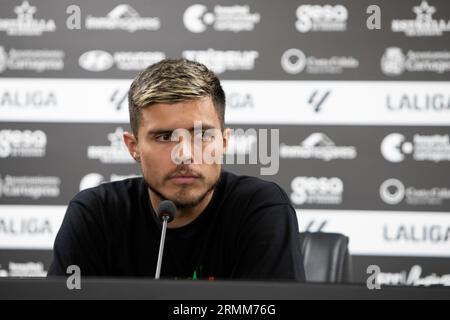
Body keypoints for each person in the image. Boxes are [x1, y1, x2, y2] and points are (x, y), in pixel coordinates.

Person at [48, 59, 305, 281]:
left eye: (202, 135)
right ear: (133, 146)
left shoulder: (260, 209)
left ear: (224, 143)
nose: (184, 154)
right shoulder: (95, 214)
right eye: (164, 137)